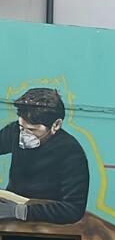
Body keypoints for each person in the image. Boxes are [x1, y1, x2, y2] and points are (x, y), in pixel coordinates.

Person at [0, 87, 90, 225]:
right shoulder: (14, 131)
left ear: (56, 125)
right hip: (11, 212)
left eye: (32, 130)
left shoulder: (71, 153)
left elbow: (73, 209)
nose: (24, 134)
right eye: (21, 128)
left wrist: (20, 211)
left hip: (48, 225)